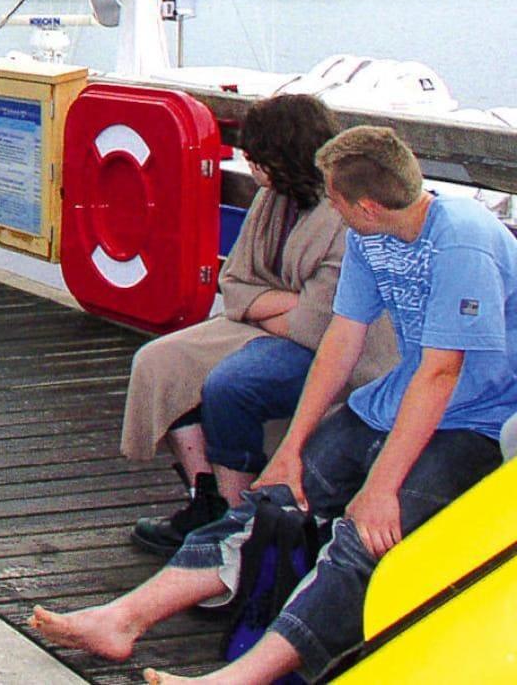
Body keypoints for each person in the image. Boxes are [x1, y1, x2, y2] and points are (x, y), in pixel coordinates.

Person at [31, 125, 517, 684]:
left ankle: (237, 680)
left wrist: (382, 487)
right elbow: (341, 340)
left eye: (334, 198)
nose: (329, 207)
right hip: (392, 402)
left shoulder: (462, 240)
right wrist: (290, 450)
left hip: (476, 423)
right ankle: (121, 620)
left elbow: (441, 373)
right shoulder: (370, 236)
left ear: (365, 205)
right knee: (270, 501)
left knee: (364, 540)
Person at [121, 95, 396, 554]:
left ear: (284, 155)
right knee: (159, 361)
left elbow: (320, 324)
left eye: (257, 157)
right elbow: (235, 283)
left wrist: (262, 306)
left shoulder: (340, 213)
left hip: (341, 352)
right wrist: (280, 306)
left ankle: (236, 523)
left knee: (232, 385)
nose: (250, 166)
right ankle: (205, 495)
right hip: (268, 326)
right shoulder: (273, 200)